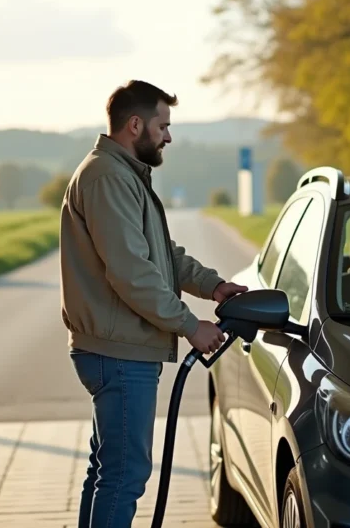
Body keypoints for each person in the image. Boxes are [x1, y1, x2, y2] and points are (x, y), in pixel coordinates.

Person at [59, 79, 247, 528]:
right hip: (119, 352)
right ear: (135, 125)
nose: (168, 137)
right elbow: (132, 273)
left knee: (107, 471)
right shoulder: (108, 177)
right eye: (163, 126)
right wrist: (190, 326)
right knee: (124, 476)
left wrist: (213, 286)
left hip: (118, 347)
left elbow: (160, 254)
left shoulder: (121, 174)